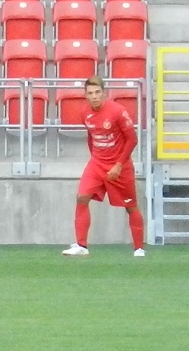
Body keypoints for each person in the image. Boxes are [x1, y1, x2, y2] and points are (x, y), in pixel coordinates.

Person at [61, 77, 144, 258]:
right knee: (82, 197)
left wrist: (119, 164)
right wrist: (95, 158)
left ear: (104, 93)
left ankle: (139, 248)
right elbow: (91, 136)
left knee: (131, 206)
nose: (94, 96)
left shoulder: (118, 112)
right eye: (90, 93)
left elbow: (132, 140)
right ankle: (81, 245)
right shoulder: (85, 113)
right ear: (85, 95)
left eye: (97, 92)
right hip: (97, 163)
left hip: (120, 166)